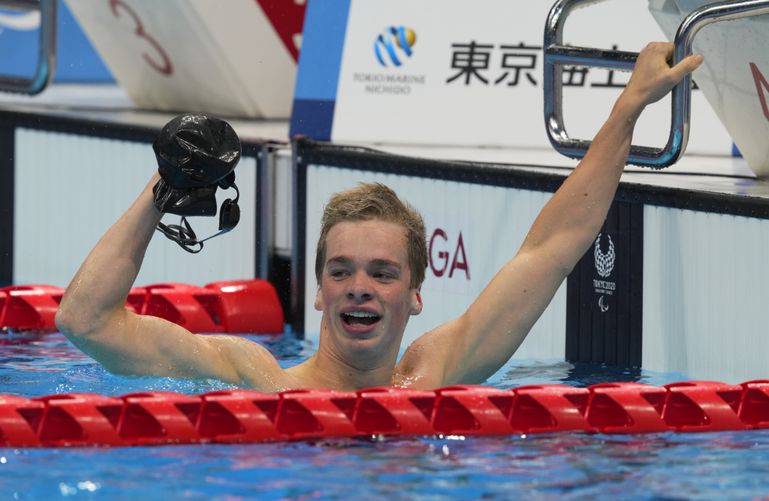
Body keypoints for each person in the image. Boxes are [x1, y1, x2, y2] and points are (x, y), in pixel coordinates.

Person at [55, 42, 703, 392]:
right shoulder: (253, 378)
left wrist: (627, 110)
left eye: (382, 271)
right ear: (317, 289)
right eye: (342, 269)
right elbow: (85, 320)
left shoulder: (435, 372)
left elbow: (553, 246)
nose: (359, 284)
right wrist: (166, 182)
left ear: (416, 295)